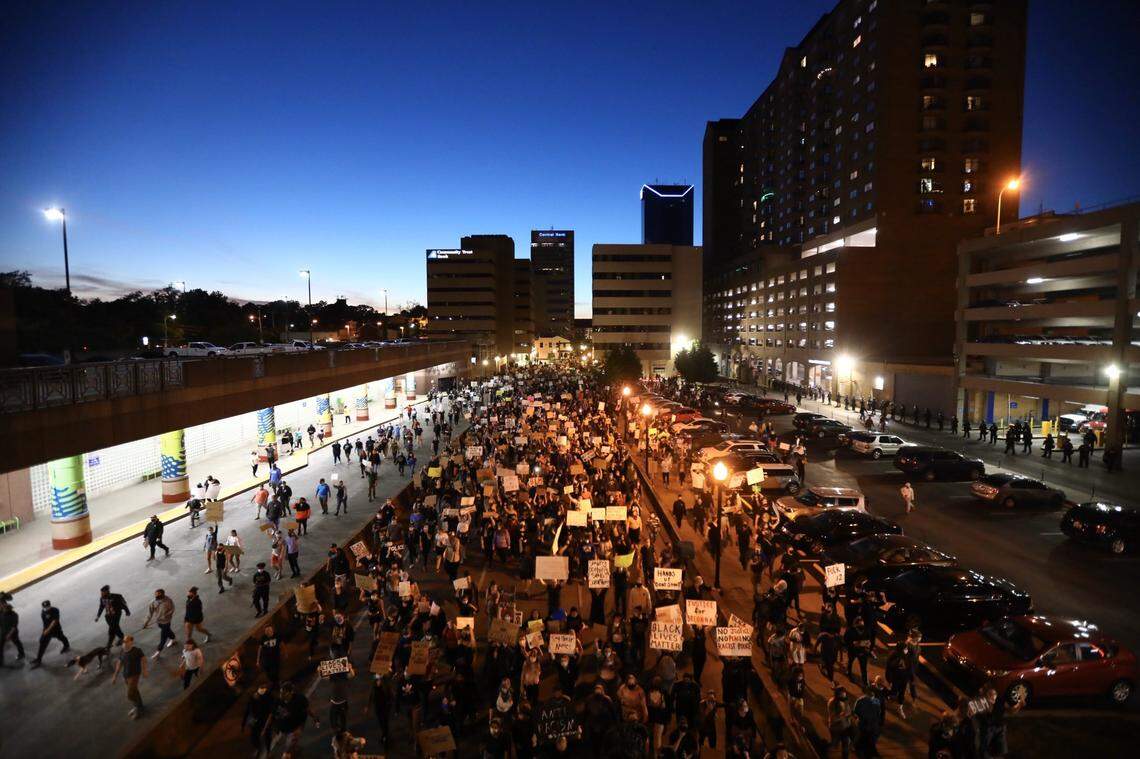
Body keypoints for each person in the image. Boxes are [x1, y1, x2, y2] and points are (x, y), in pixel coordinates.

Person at [272, 681, 321, 757]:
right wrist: (276, 726)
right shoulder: (278, 701)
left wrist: (315, 718)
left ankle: (288, 753)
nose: (281, 695)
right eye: (281, 692)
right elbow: (275, 714)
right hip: (284, 727)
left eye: (284, 693)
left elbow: (307, 709)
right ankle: (294, 749)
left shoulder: (300, 699)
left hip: (296, 727)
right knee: (290, 742)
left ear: (291, 692)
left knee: (287, 749)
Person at [110, 634, 147, 719]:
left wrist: (144, 670)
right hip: (126, 675)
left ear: (131, 642)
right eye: (124, 641)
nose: (124, 643)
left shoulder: (137, 651)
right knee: (134, 691)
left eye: (127, 641)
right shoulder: (122, 651)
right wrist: (115, 676)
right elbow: (119, 664)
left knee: (130, 695)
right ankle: (139, 706)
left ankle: (137, 709)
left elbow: (144, 659)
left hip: (134, 675)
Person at [30, 600, 69, 666]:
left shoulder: (55, 610)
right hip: (47, 630)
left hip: (56, 629)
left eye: (47, 607)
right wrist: (44, 631)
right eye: (44, 607)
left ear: (50, 605)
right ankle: (38, 659)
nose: (46, 608)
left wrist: (47, 630)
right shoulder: (43, 612)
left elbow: (54, 622)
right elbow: (45, 623)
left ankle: (66, 646)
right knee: (42, 643)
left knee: (61, 637)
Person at [142, 588, 178, 659]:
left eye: (158, 595)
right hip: (159, 622)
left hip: (166, 622)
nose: (156, 596)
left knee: (163, 637)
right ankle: (173, 638)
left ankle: (158, 652)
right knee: (168, 631)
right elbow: (150, 614)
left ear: (163, 594)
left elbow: (172, 609)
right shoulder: (153, 602)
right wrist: (145, 623)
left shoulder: (168, 601)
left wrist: (165, 615)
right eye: (155, 595)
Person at [242, 683, 276, 756]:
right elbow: (248, 711)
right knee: (253, 737)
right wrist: (243, 723)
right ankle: (258, 748)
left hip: (265, 719)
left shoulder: (269, 697)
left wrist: (266, 726)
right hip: (256, 720)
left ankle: (268, 751)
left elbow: (271, 712)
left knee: (267, 736)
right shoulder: (252, 698)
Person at [96, 585, 131, 649]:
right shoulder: (102, 599)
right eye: (101, 593)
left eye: (102, 592)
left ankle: (109, 644)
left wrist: (127, 611)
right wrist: (98, 616)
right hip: (108, 616)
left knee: (112, 628)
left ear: (107, 592)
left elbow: (123, 604)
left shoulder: (116, 596)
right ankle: (121, 638)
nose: (101, 594)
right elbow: (101, 607)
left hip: (116, 615)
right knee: (114, 627)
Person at [0, 597, 25, 664]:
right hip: (3, 633)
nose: (3, 609)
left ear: (8, 609)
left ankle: (21, 654)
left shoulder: (14, 615)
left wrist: (9, 635)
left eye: (4, 609)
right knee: (0, 645)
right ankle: (1, 660)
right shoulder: (2, 614)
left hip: (13, 633)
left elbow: (14, 627)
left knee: (17, 643)